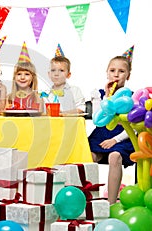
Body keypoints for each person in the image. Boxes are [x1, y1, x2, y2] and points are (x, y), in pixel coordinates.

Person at [88, 47, 135, 205]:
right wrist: (108, 97)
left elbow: (133, 126)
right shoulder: (98, 94)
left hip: (122, 137)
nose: (116, 74)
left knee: (114, 156)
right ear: (107, 73)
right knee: (87, 155)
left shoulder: (132, 98)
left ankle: (111, 203)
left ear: (128, 75)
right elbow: (97, 118)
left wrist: (115, 140)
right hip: (101, 135)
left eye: (121, 71)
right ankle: (89, 200)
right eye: (112, 70)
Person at [47, 44, 85, 113]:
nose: (56, 74)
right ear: (49, 74)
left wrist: (64, 113)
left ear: (68, 75)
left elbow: (81, 109)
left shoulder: (75, 91)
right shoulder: (46, 94)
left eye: (61, 70)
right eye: (53, 70)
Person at [7, 41, 44, 111]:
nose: (22, 77)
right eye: (19, 74)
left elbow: (40, 119)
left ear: (32, 78)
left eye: (27, 74)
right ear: (14, 77)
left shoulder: (38, 98)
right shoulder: (9, 98)